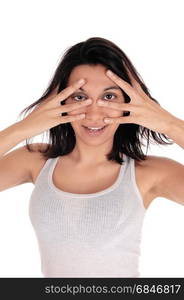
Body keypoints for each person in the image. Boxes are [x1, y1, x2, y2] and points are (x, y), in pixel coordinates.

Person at [0, 37, 183, 278]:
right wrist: (24, 128)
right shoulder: (36, 160)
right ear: (61, 102)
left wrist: (169, 124)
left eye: (109, 97)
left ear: (129, 104)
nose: (93, 113)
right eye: (79, 97)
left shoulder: (150, 172)